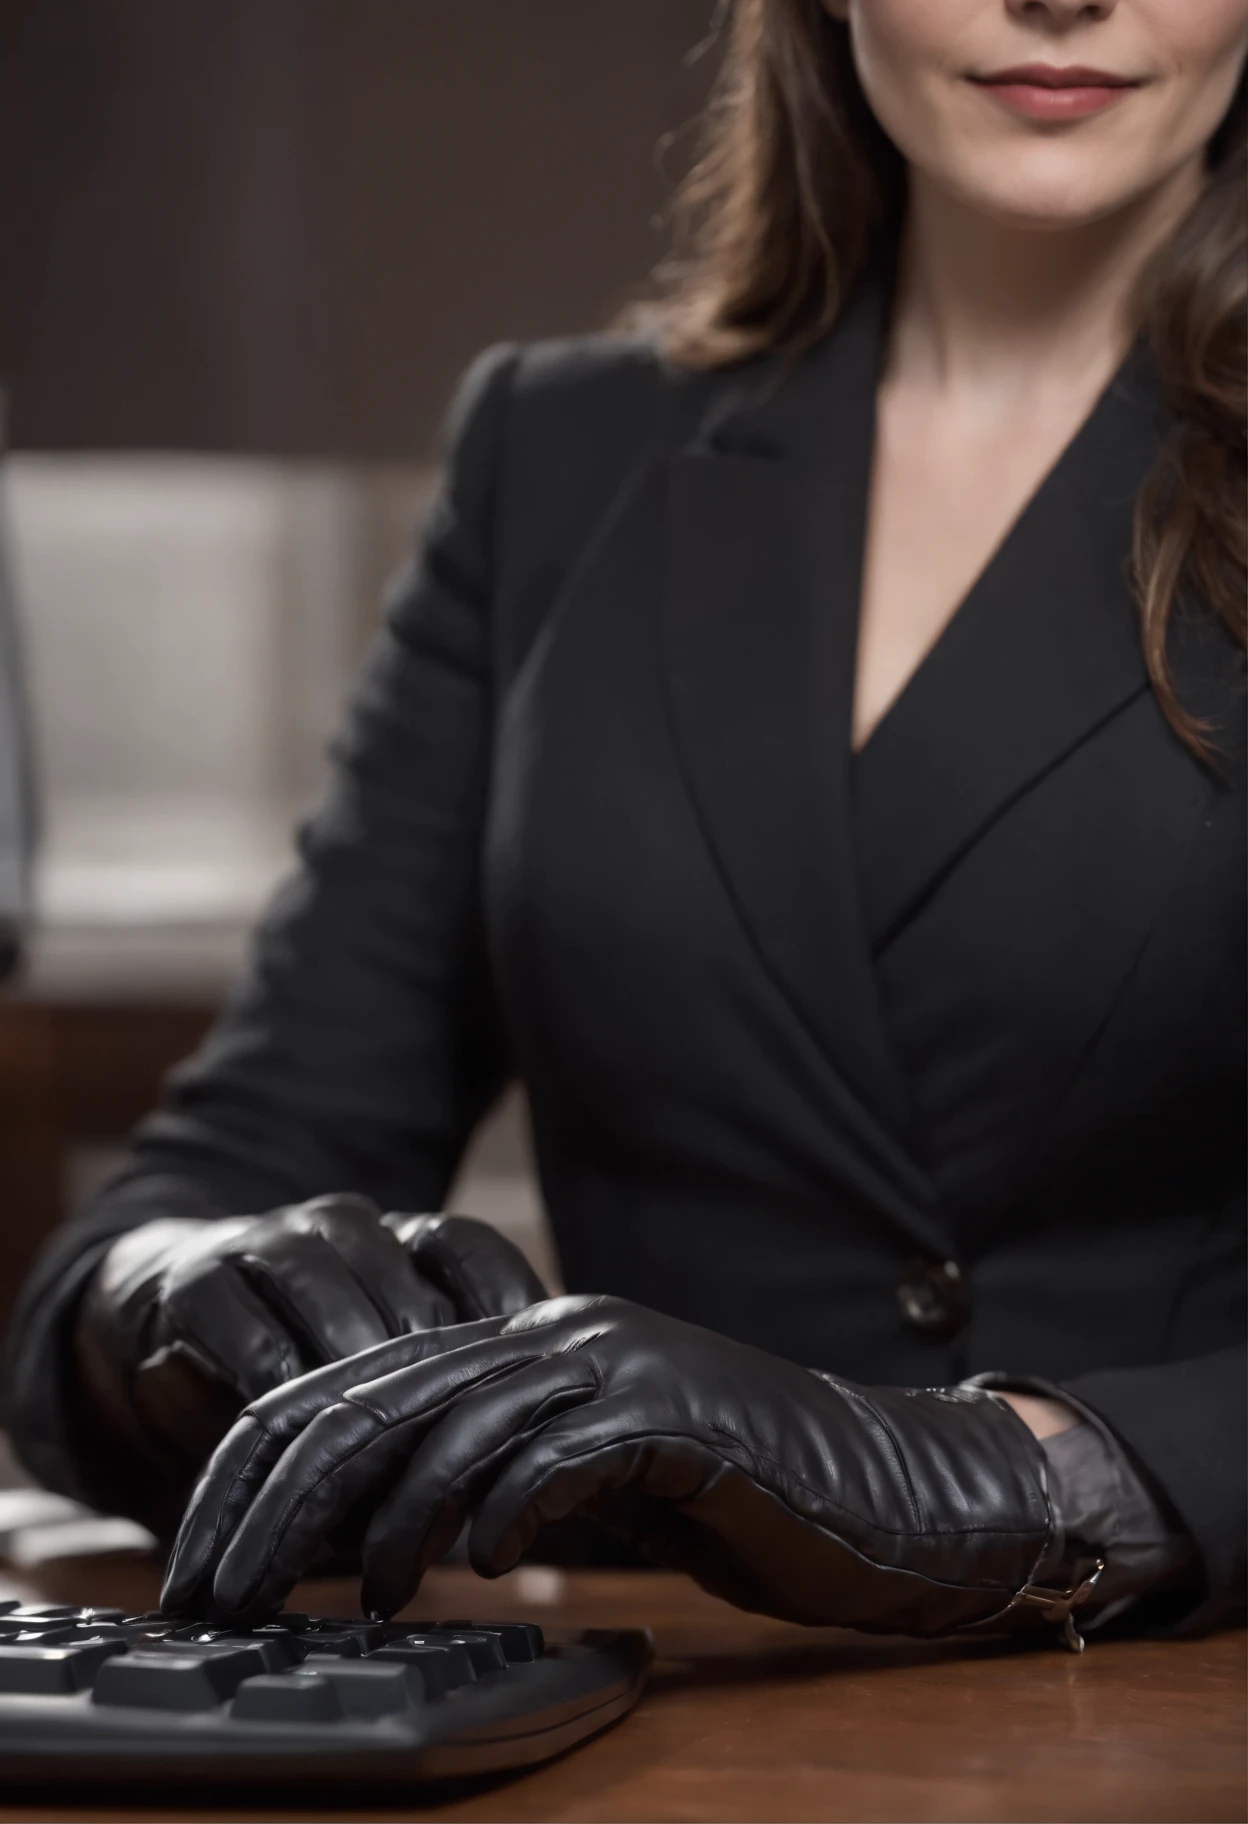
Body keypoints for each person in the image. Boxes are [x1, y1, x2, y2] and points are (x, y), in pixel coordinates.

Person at [6, 0, 1244, 1647]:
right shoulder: (560, 455)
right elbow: (240, 1155)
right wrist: (175, 1293)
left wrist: (981, 1480)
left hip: (1176, 1690)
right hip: (642, 1705)